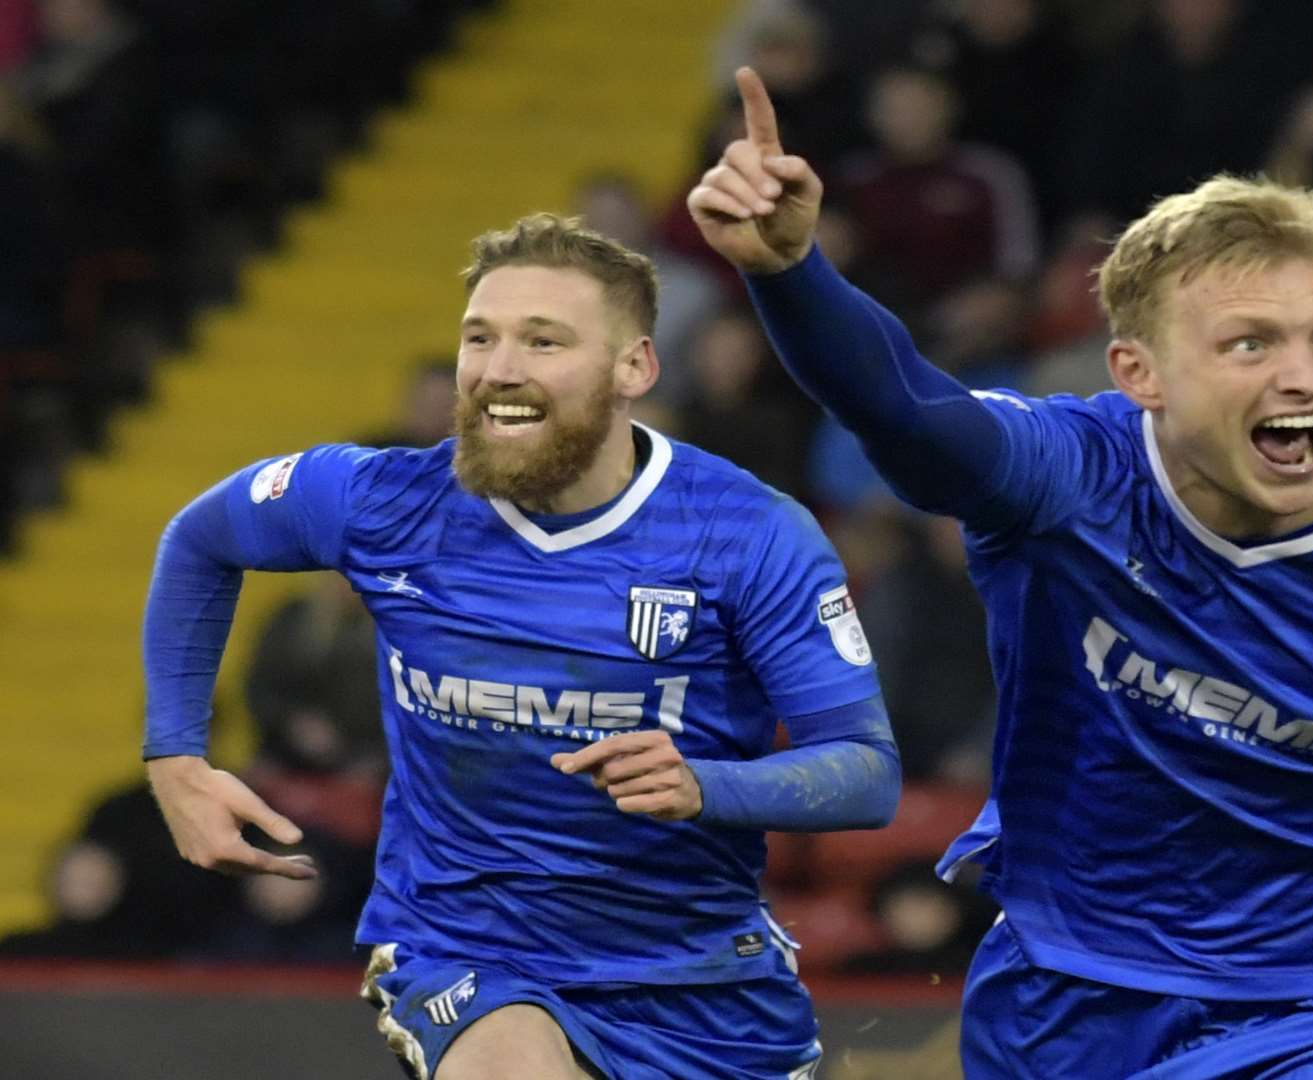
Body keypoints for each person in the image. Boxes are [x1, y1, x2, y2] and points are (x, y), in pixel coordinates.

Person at [691, 67, 1313, 1078]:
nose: (1306, 376)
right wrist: (791, 273)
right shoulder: (1066, 476)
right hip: (1068, 998)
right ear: (1139, 373)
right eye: (1250, 344)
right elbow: (905, 409)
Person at [140, 213, 901, 1080]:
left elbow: (866, 773)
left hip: (700, 983)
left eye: (544, 342)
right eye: (480, 338)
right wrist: (175, 755)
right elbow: (199, 541)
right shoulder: (380, 501)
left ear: (634, 368)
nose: (499, 370)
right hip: (468, 952)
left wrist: (704, 785)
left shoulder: (750, 535)